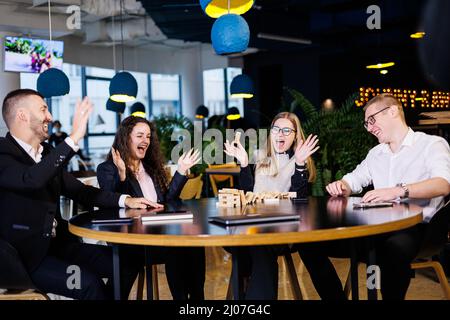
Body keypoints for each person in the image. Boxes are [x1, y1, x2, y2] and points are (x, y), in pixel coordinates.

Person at [0, 89, 161, 300]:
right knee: (88, 284)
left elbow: (80, 191)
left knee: (125, 262)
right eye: (43, 109)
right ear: (22, 115)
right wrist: (73, 138)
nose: (49, 116)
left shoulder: (46, 152)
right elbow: (31, 179)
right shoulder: (3, 153)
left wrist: (126, 200)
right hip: (26, 261)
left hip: (59, 248)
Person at [296, 94, 450, 300]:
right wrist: (342, 186)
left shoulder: (431, 144)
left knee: (393, 249)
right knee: (309, 245)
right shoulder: (376, 153)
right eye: (366, 123)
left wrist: (396, 190)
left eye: (372, 120)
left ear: (393, 111)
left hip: (418, 228)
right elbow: (353, 180)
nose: (369, 128)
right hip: (377, 229)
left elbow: (443, 184)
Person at [97, 116, 206, 300]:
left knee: (194, 242)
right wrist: (123, 174)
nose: (145, 141)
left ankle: (196, 301)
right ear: (126, 138)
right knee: (176, 246)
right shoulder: (107, 168)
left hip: (157, 237)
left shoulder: (151, 168)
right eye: (140, 135)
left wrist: (180, 171)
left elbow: (165, 203)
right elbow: (112, 203)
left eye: (148, 136)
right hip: (131, 242)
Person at [223, 111, 319, 299]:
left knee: (258, 245)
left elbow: (300, 202)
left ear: (295, 136)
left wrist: (299, 164)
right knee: (243, 244)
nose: (280, 134)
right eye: (276, 129)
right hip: (252, 226)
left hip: (283, 231)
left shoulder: (299, 160)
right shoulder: (259, 157)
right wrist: (244, 164)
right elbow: (248, 195)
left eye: (286, 130)